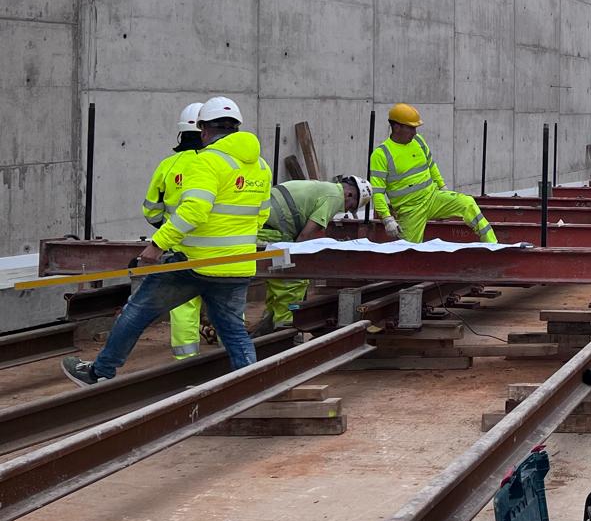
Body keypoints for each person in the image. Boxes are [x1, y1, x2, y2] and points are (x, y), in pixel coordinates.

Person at [63, 96, 271, 385]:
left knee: (137, 311)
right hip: (236, 265)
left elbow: (194, 210)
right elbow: (262, 215)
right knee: (234, 330)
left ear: (205, 131)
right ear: (236, 128)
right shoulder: (260, 165)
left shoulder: (207, 160)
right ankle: (250, 384)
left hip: (192, 263)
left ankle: (99, 372)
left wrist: (157, 245)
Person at [254, 175, 371, 333]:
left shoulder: (323, 188)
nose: (346, 210)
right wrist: (297, 261)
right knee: (292, 278)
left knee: (276, 276)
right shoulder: (335, 197)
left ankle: (270, 321)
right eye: (351, 207)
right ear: (349, 194)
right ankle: (284, 329)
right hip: (271, 231)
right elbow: (304, 236)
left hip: (262, 224)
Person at [369, 103, 497, 243]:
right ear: (396, 127)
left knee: (467, 203)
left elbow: (431, 166)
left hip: (432, 198)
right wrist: (387, 219)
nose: (414, 133)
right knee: (408, 250)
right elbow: (377, 192)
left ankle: (492, 244)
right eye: (411, 128)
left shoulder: (418, 141)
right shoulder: (381, 154)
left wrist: (443, 188)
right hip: (410, 210)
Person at [141, 101, 206, 359]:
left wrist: (166, 231)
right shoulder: (223, 164)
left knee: (183, 305)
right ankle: (230, 363)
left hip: (179, 249)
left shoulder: (168, 165)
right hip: (223, 250)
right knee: (227, 305)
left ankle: (186, 360)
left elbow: (151, 210)